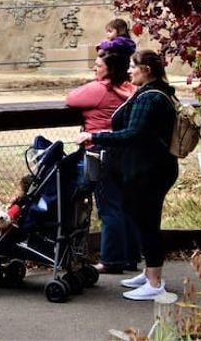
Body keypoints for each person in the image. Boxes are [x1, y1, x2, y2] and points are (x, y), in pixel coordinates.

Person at [76, 49, 178, 301]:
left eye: (134, 66)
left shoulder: (149, 98)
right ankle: (149, 273)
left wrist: (95, 136)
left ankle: (154, 283)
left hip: (149, 171)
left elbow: (135, 133)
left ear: (147, 70)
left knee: (148, 224)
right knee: (145, 221)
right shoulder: (157, 93)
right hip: (154, 168)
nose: (130, 70)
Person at [66, 43, 141, 274]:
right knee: (127, 205)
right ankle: (130, 256)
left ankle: (111, 260)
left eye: (98, 66)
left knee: (109, 208)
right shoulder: (130, 90)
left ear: (108, 70)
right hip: (125, 152)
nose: (94, 69)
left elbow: (71, 99)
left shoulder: (100, 90)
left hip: (101, 151)